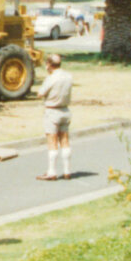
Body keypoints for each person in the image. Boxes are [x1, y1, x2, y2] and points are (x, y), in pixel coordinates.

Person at [36, 52, 73, 180]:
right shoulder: (68, 76)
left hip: (52, 111)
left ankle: (52, 171)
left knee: (52, 142)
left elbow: (40, 94)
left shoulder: (51, 78)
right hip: (65, 110)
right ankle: (67, 170)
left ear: (49, 65)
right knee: (64, 140)